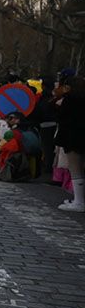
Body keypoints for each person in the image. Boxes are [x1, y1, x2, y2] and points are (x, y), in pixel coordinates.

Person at [54, 75, 85, 211]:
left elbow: (63, 119)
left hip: (72, 137)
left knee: (75, 169)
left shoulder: (69, 100)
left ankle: (79, 201)